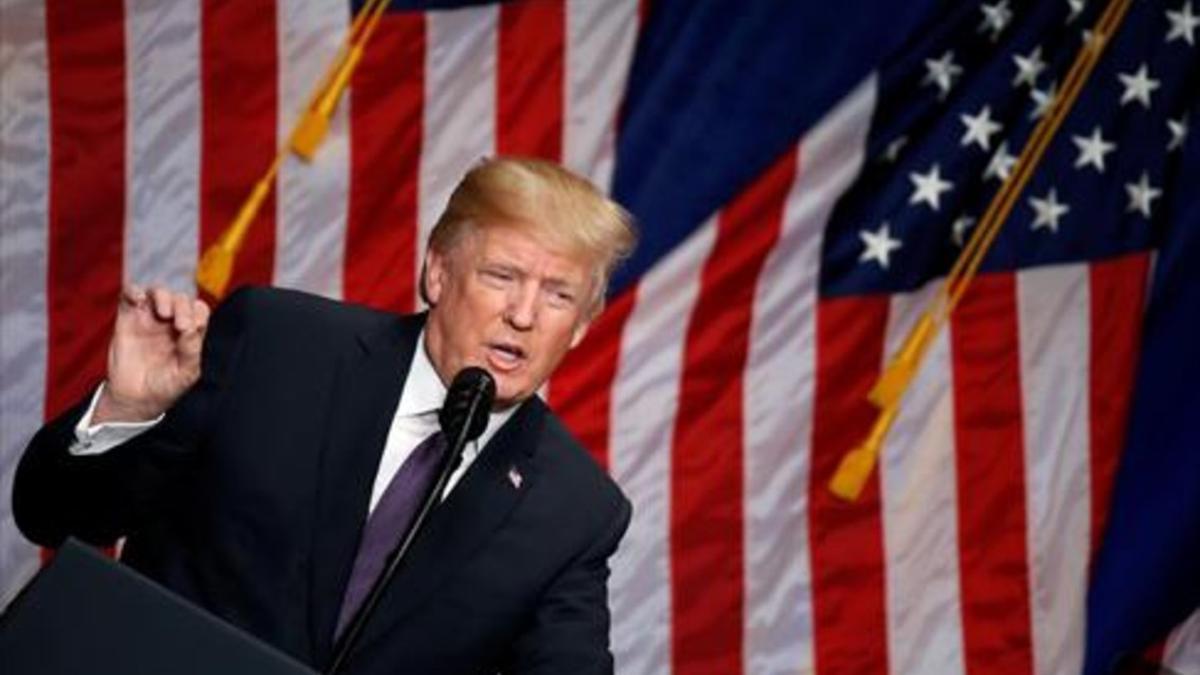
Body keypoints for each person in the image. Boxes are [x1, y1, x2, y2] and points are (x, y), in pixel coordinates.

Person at [13, 157, 637, 675]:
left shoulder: (574, 510)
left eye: (559, 295)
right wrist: (128, 410)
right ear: (438, 272)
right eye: (502, 276)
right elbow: (52, 513)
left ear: (582, 324)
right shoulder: (277, 345)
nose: (524, 315)